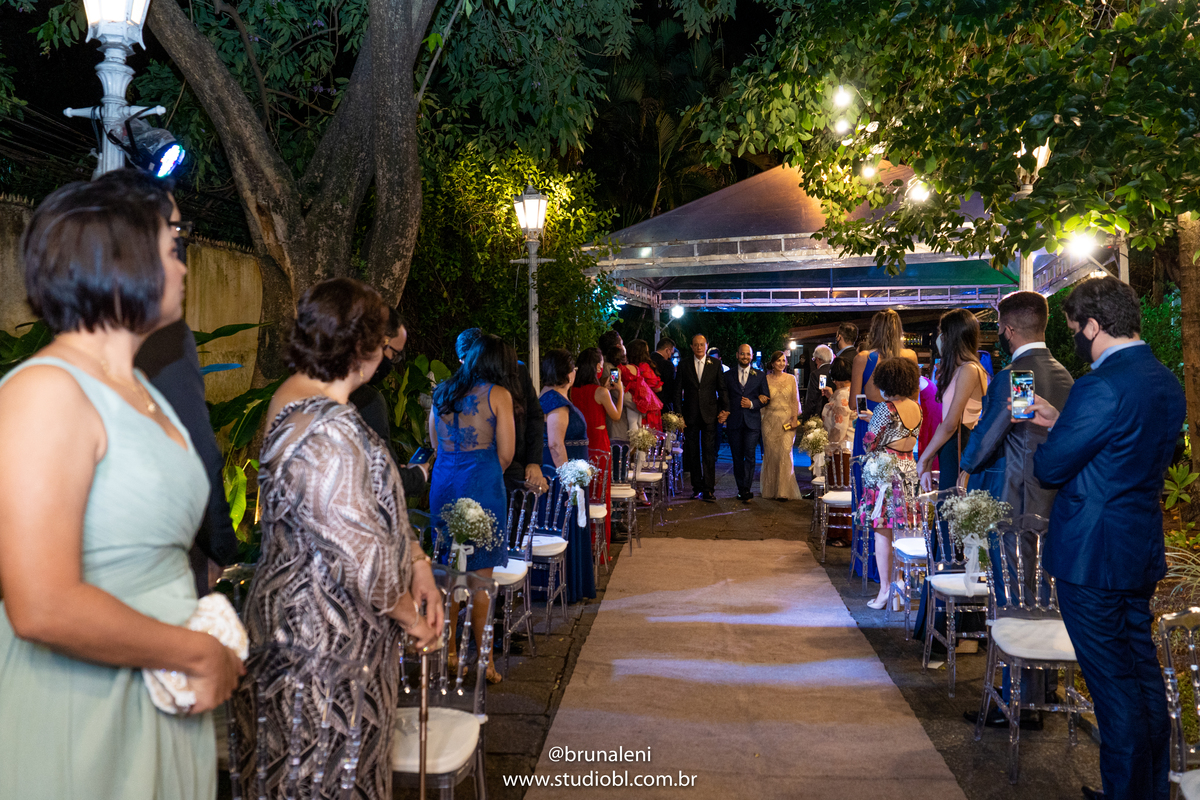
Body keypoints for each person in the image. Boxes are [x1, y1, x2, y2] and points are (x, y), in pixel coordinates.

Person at [0, 173, 244, 799]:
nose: (183, 262)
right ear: (122, 254)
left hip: (159, 696)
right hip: (84, 704)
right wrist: (194, 652)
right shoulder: (46, 391)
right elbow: (41, 604)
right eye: (172, 240)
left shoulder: (141, 389)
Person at [238, 278, 441, 798]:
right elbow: (362, 558)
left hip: (323, 638)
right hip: (321, 651)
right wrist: (413, 620)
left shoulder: (307, 399)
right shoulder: (323, 426)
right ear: (363, 348)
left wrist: (417, 560)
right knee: (323, 780)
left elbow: (363, 511)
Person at [1028, 277, 1184, 800]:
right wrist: (1067, 421)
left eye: (1075, 330)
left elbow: (1051, 468)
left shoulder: (1102, 384)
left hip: (1091, 560)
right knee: (1141, 680)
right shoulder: (1164, 380)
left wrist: (1057, 432)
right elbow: (1124, 450)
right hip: (1136, 548)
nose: (1076, 339)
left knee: (1114, 690)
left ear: (1094, 326)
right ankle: (1147, 790)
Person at [959, 290, 1075, 732]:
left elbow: (998, 432)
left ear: (1008, 330)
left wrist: (967, 469)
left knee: (1015, 598)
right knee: (1045, 597)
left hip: (1019, 498)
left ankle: (1020, 701)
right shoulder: (1064, 374)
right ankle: (1041, 691)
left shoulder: (1020, 375)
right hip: (1055, 500)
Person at [428, 333, 517, 684]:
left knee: (449, 572)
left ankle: (449, 653)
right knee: (481, 579)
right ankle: (485, 662)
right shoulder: (498, 394)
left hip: (444, 481)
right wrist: (485, 471)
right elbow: (507, 452)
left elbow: (434, 442)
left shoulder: (442, 393)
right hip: (482, 480)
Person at [349, 307, 432, 500]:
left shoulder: (304, 389)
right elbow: (384, 480)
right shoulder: (367, 400)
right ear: (378, 344)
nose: (392, 361)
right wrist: (418, 474)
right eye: (394, 354)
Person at [860, 357, 923, 609]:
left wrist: (870, 422)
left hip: (887, 473)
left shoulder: (886, 408)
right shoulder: (917, 407)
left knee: (882, 532)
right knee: (902, 532)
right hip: (909, 470)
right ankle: (899, 587)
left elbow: (869, 443)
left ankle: (885, 590)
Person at [539, 349, 596, 603]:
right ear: (568, 374)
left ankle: (571, 584)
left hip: (567, 473)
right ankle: (567, 586)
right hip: (564, 477)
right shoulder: (556, 403)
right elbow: (555, 444)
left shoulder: (549, 397)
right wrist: (570, 482)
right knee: (567, 525)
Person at [916, 309, 989, 491]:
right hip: (952, 447)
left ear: (953, 336)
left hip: (959, 446)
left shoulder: (969, 369)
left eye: (943, 332)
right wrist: (930, 458)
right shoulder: (964, 369)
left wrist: (925, 457)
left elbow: (950, 423)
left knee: (951, 508)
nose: (939, 338)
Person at [571, 347, 624, 546]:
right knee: (600, 495)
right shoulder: (601, 392)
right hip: (600, 446)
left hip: (582, 447)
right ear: (596, 367)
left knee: (584, 494)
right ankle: (599, 544)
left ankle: (584, 543)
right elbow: (616, 416)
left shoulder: (573, 390)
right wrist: (620, 390)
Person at [851, 310, 918, 463]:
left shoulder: (863, 358)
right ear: (899, 331)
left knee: (867, 475)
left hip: (868, 423)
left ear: (874, 330)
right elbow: (914, 398)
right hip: (899, 424)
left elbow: (852, 403)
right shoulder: (910, 356)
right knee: (896, 477)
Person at [675, 334, 728, 501]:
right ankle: (696, 487)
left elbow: (722, 389)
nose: (699, 347)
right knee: (692, 452)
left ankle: (709, 489)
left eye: (702, 344)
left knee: (709, 452)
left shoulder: (716, 364)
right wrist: (678, 415)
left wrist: (725, 409)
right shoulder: (684, 364)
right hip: (690, 414)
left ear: (707, 345)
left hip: (710, 414)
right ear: (691, 346)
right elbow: (677, 392)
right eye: (696, 344)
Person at [757, 349, 803, 501]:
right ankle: (770, 489)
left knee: (785, 452)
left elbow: (795, 400)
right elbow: (762, 400)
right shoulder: (765, 379)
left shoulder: (791, 379)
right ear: (772, 363)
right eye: (778, 360)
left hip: (787, 421)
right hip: (769, 421)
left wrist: (794, 418)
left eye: (784, 360)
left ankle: (783, 491)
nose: (781, 363)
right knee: (771, 454)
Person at [723, 344, 767, 503]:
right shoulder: (728, 376)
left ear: (752, 356)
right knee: (737, 457)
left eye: (748, 354)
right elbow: (724, 397)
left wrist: (753, 403)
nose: (745, 357)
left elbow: (766, 397)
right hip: (734, 421)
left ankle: (746, 489)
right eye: (742, 354)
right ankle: (741, 488)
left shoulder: (760, 375)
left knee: (749, 456)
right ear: (737, 355)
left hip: (752, 422)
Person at [605, 342, 644, 448]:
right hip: (618, 422)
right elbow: (617, 389)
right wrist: (641, 406)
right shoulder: (613, 369)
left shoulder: (614, 368)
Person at [627, 338, 664, 430]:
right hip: (649, 406)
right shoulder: (644, 367)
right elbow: (658, 387)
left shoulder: (628, 367)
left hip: (634, 405)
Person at [821, 355, 853, 448]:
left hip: (843, 447)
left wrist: (831, 448)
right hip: (852, 441)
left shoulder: (841, 394)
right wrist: (831, 397)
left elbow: (840, 428)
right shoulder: (852, 390)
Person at [803, 344, 834, 422]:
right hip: (834, 413)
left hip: (819, 415)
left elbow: (812, 398)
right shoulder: (836, 372)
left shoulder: (816, 374)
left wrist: (806, 419)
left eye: (814, 359)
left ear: (818, 359)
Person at [651, 337, 678, 412]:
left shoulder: (647, 361)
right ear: (667, 350)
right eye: (671, 353)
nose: (670, 357)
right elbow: (671, 389)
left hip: (648, 403)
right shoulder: (667, 365)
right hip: (663, 406)